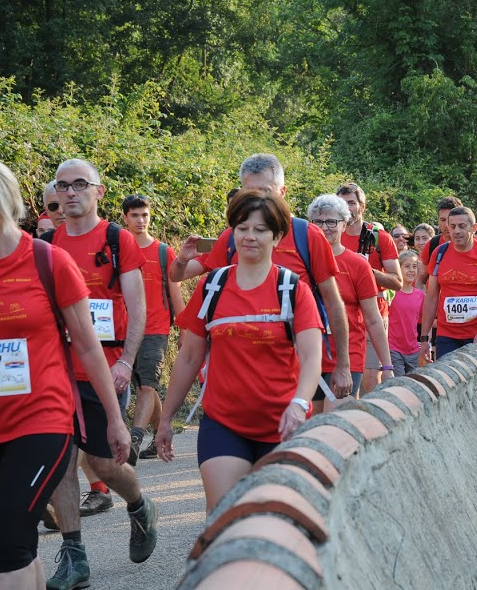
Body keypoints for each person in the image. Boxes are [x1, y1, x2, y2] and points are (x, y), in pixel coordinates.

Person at [0, 159, 130, 590]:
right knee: (13, 545)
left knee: (6, 538)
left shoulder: (46, 260)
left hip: (42, 419)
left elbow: (88, 346)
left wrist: (115, 418)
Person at [156, 191, 323, 512]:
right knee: (223, 516)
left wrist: (300, 404)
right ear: (232, 231)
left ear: (277, 237)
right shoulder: (213, 287)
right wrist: (166, 418)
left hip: (281, 424)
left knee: (272, 518)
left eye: (260, 230)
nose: (250, 236)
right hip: (224, 423)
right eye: (243, 227)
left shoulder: (291, 290)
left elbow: (311, 357)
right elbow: (190, 357)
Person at [43, 158, 158, 588]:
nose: (70, 192)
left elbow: (139, 307)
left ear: (98, 191)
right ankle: (74, 555)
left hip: (107, 368)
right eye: (62, 185)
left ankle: (139, 503)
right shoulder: (49, 244)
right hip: (58, 370)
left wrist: (127, 362)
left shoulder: (117, 239)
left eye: (79, 184)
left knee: (105, 464)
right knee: (59, 461)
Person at [168, 153, 352, 398]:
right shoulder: (233, 237)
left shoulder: (307, 236)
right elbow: (177, 275)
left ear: (282, 191)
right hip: (238, 371)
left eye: (265, 191)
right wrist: (181, 258)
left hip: (294, 368)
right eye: (248, 192)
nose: (257, 200)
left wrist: (343, 365)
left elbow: (332, 301)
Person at [306, 194, 392, 406]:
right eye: (318, 221)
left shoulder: (357, 265)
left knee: (336, 424)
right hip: (308, 357)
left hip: (347, 358)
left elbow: (373, 319)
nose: (325, 227)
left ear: (344, 225)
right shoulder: (301, 261)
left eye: (332, 222)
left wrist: (387, 367)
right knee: (308, 428)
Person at [121, 195, 186, 461]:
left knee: (147, 385)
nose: (140, 220)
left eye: (145, 215)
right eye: (135, 215)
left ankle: (134, 439)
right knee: (142, 385)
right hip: (123, 330)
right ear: (125, 217)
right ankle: (159, 435)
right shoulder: (119, 248)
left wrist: (184, 328)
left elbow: (175, 292)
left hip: (156, 328)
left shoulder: (163, 251)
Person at [336, 183, 402, 393]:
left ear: (362, 206)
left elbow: (397, 282)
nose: (347, 208)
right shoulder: (328, 235)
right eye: (342, 203)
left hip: (373, 313)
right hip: (340, 314)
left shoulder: (379, 237)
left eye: (351, 203)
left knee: (370, 378)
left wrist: (365, 270)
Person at [420, 207, 477, 360]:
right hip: (448, 336)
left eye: (462, 226)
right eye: (452, 226)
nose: (457, 231)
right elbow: (431, 298)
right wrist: (425, 337)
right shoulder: (439, 253)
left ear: (474, 228)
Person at [388, 249, 425, 376]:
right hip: (393, 348)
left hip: (413, 349)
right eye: (407, 266)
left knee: (412, 384)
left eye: (414, 267)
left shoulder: (420, 295)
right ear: (399, 268)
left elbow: (425, 321)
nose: (411, 270)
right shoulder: (391, 293)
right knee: (398, 383)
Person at [415, 196, 464, 289]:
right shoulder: (432, 245)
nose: (446, 225)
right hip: (438, 301)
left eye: (449, 219)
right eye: (442, 220)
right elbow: (420, 282)